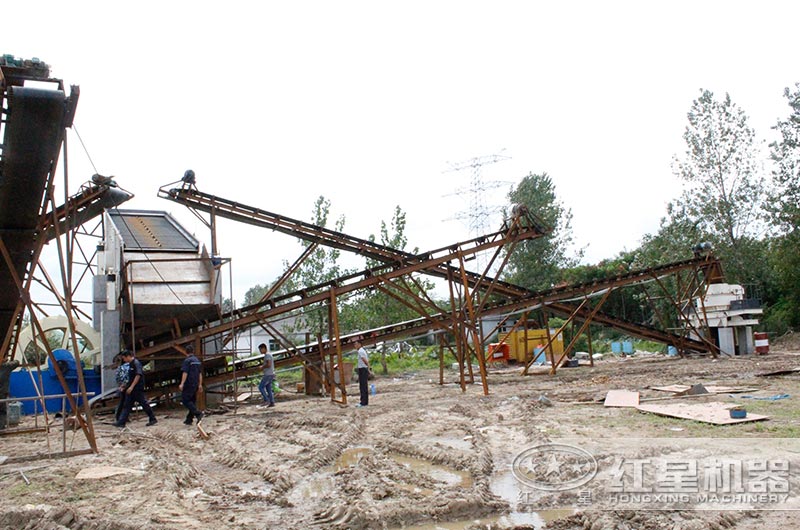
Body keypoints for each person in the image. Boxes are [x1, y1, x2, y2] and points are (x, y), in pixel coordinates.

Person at [114, 350, 157, 427]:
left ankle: (152, 418)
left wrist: (131, 387)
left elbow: (138, 375)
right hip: (131, 389)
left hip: (137, 389)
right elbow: (131, 378)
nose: (124, 360)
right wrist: (125, 386)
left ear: (128, 356)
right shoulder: (131, 364)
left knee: (144, 404)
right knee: (127, 405)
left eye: (124, 358)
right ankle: (121, 422)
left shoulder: (136, 363)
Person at [178, 345, 203, 425]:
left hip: (188, 383)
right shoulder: (197, 360)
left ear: (186, 352)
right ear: (193, 351)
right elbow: (200, 373)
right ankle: (189, 419)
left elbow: (185, 372)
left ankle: (198, 413)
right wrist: (200, 384)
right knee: (192, 401)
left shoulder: (187, 361)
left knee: (185, 400)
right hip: (195, 383)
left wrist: (182, 383)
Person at [113, 354, 131, 422]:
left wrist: (121, 385)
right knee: (125, 403)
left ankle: (119, 417)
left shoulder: (120, 368)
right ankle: (122, 418)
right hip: (126, 386)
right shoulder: (128, 367)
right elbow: (127, 377)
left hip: (123, 386)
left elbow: (118, 378)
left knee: (123, 402)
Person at [257, 343, 275, 408]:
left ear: (264, 348)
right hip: (271, 373)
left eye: (260, 349)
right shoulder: (269, 354)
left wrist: (262, 367)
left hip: (268, 374)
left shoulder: (267, 355)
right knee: (268, 389)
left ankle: (266, 400)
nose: (260, 351)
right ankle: (272, 402)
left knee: (261, 387)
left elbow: (268, 364)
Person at [355, 341, 370, 407]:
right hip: (363, 369)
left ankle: (363, 402)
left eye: (356, 344)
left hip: (363, 369)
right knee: (364, 386)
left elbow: (364, 360)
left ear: (359, 344)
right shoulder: (362, 351)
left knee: (363, 386)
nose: (355, 346)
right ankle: (364, 401)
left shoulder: (360, 351)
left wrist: (368, 368)